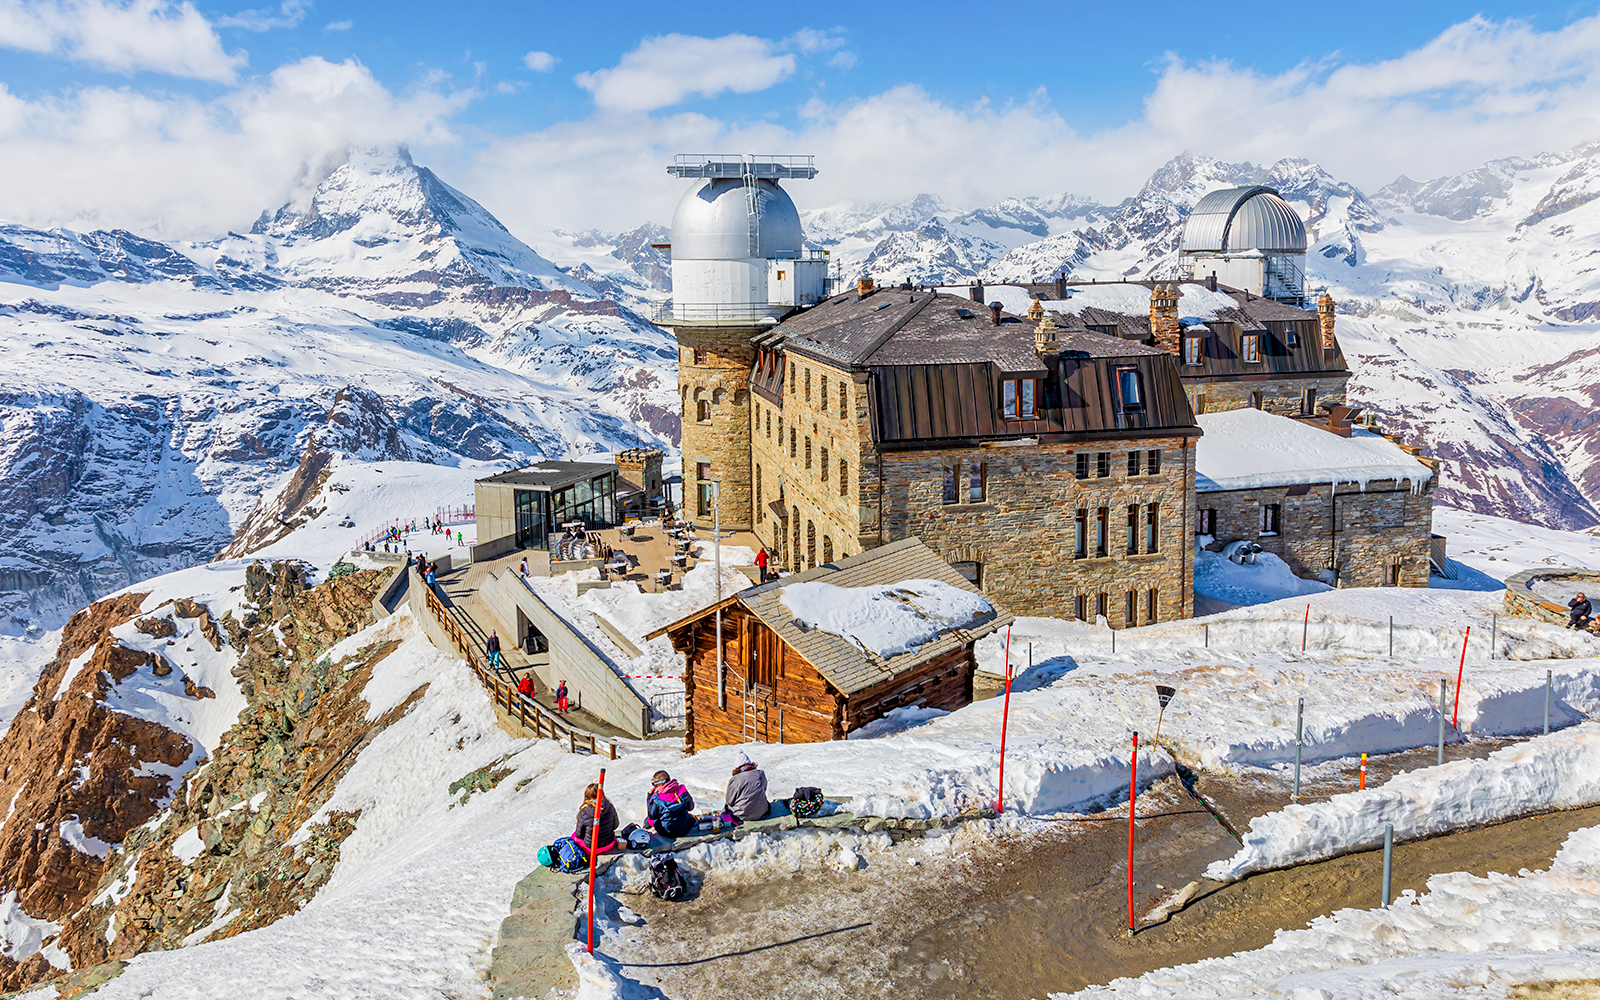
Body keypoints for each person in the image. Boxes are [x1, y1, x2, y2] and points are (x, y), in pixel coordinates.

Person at [645, 770, 696, 839]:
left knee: (648, 820)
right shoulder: (682, 790)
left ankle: (644, 832)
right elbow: (691, 807)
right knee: (689, 817)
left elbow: (652, 816)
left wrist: (649, 797)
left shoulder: (656, 798)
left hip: (666, 832)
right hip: (685, 829)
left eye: (654, 784)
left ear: (660, 784)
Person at [572, 782, 619, 856]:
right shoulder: (610, 806)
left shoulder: (584, 812)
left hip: (592, 849)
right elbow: (615, 826)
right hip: (609, 844)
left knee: (573, 836)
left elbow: (579, 835)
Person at [724, 752, 769, 822]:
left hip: (741, 815)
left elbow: (729, 801)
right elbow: (763, 789)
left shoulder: (735, 779)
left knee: (727, 807)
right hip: (762, 812)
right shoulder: (760, 774)